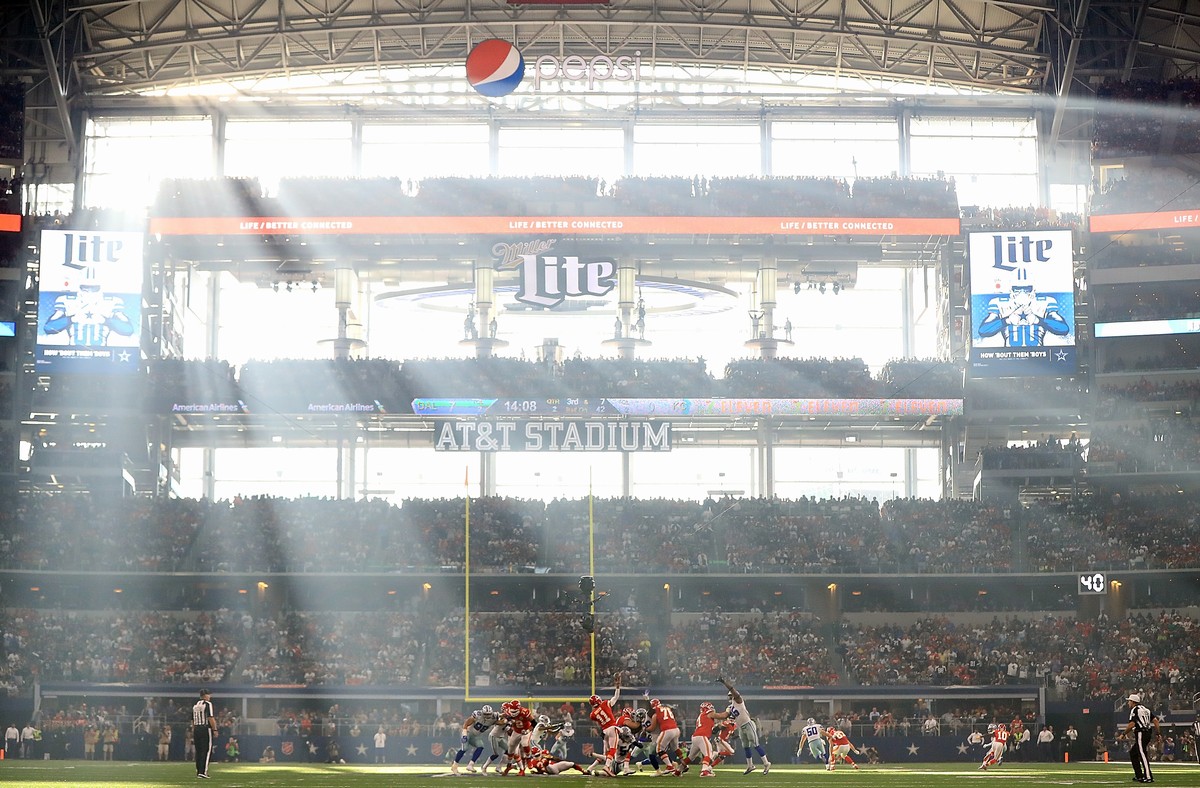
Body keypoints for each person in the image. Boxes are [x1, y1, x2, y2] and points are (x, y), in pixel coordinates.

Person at [715, 677, 771, 774]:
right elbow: (724, 715)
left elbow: (732, 689)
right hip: (741, 727)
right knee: (746, 746)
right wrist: (713, 716)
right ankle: (750, 765)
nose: (730, 697)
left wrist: (724, 682)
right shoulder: (730, 707)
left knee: (755, 744)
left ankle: (766, 763)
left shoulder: (739, 700)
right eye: (729, 696)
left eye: (731, 695)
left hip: (748, 724)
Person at [1122, 693, 1161, 783]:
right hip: (1148, 732)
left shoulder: (1135, 710)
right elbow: (1155, 721)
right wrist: (1158, 733)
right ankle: (1139, 775)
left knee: (1142, 754)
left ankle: (1148, 776)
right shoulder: (1146, 709)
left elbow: (1132, 724)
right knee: (1133, 753)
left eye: (1129, 701)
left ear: (1133, 702)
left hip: (1141, 732)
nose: (1128, 703)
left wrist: (1123, 733)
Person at [192, 688, 218, 779]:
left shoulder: (195, 705)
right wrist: (215, 729)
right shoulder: (207, 704)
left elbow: (192, 719)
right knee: (206, 750)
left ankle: (199, 770)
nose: (210, 696)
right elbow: (210, 717)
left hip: (197, 728)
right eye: (208, 694)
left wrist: (194, 729)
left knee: (198, 751)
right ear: (205, 695)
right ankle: (203, 771)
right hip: (205, 729)